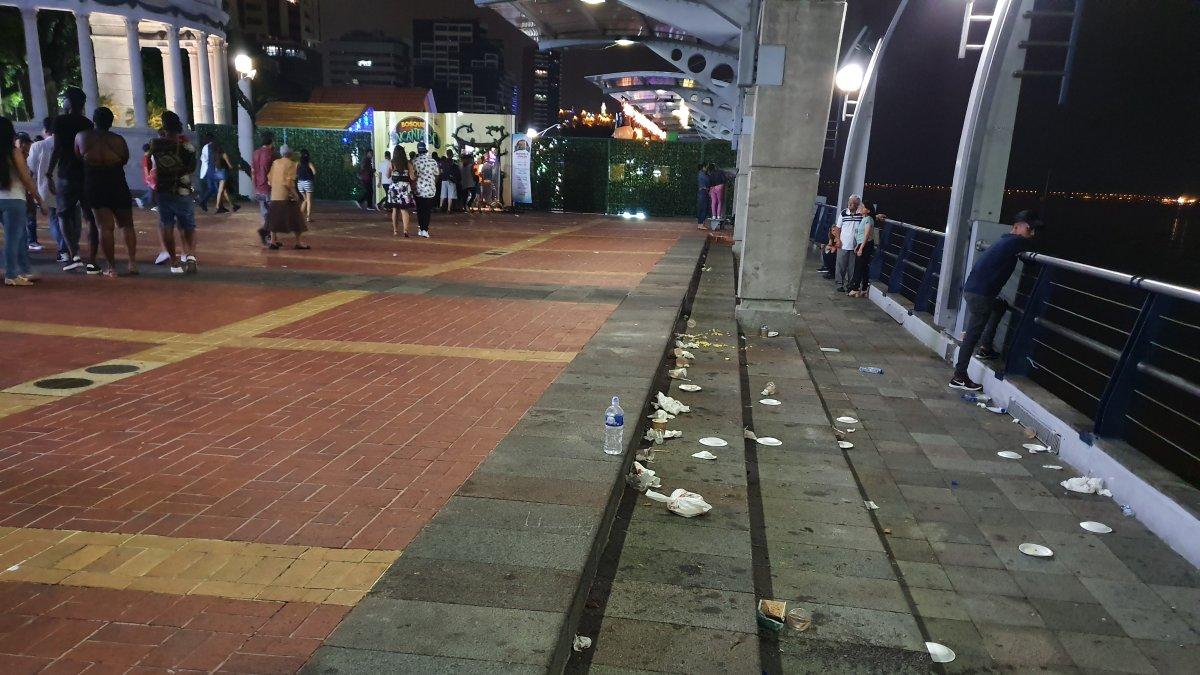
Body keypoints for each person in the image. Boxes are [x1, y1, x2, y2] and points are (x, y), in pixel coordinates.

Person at [948, 210, 1043, 391]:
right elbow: (1033, 261)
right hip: (981, 295)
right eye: (1030, 228)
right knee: (971, 336)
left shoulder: (1005, 240)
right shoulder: (1017, 241)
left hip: (976, 291)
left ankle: (986, 347)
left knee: (999, 306)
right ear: (1017, 227)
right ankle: (959, 376)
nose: (1032, 234)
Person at [76, 107, 137, 277]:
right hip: (117, 181)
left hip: (95, 183)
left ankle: (112, 267)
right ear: (111, 122)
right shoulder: (118, 140)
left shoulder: (82, 137)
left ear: (93, 120)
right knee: (127, 225)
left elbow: (78, 156)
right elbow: (124, 159)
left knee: (105, 227)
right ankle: (132, 263)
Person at [47, 86, 98, 273]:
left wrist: (48, 172)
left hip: (66, 172)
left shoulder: (59, 121)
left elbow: (57, 148)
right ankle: (92, 258)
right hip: (85, 173)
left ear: (69, 101)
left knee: (63, 214)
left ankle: (74, 253)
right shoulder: (87, 123)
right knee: (90, 216)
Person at [150, 111, 198, 274]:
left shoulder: (155, 144)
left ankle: (174, 262)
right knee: (188, 225)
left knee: (167, 226)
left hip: (163, 191)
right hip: (182, 191)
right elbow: (191, 169)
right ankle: (190, 255)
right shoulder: (187, 148)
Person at [2, 117, 45, 286]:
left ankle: (22, 270)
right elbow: (26, 178)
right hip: (13, 199)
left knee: (16, 238)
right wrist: (39, 199)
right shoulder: (13, 152)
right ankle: (12, 274)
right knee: (14, 238)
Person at [27, 117, 66, 261]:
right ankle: (69, 248)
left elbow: (30, 169)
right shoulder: (67, 143)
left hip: (45, 187)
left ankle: (63, 249)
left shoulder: (38, 146)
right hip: (66, 185)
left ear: (46, 130)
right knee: (68, 218)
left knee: (54, 219)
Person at [266, 144, 307, 250]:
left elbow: (269, 180)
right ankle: (298, 242)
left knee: (273, 220)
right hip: (287, 197)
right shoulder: (293, 164)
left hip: (275, 195)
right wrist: (295, 194)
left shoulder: (275, 163)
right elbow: (288, 183)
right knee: (297, 220)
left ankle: (273, 241)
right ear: (291, 153)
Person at [14, 132, 41, 253]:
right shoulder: (13, 155)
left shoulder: (24, 155)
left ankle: (30, 242)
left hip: (24, 192)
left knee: (28, 218)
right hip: (16, 194)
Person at [833, 194, 862, 292]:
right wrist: (838, 240)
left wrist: (877, 216)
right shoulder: (843, 213)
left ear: (857, 204)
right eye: (850, 202)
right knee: (840, 265)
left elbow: (869, 218)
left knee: (852, 268)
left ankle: (850, 285)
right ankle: (839, 284)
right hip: (843, 244)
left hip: (855, 246)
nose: (851, 205)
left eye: (853, 203)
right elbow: (837, 228)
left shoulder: (861, 214)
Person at [252, 131, 276, 245]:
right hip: (269, 188)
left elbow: (253, 172)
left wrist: (254, 187)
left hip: (259, 187)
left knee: (266, 213)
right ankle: (267, 234)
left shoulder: (255, 153)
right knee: (273, 213)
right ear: (271, 141)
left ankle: (270, 237)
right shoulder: (271, 154)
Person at [847, 203, 875, 298]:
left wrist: (861, 248)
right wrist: (858, 246)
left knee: (859, 267)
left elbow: (866, 235)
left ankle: (855, 289)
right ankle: (864, 288)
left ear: (868, 210)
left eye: (863, 207)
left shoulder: (868, 220)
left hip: (865, 245)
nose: (861, 208)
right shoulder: (865, 218)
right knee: (863, 267)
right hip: (862, 244)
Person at [413, 142, 438, 238]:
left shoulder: (415, 162)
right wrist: (433, 183)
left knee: (420, 209)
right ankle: (425, 230)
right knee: (427, 210)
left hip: (419, 189)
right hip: (430, 189)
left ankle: (421, 228)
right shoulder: (433, 161)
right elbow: (437, 174)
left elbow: (413, 175)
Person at [387, 147, 414, 236]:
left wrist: (392, 171)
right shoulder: (408, 163)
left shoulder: (392, 163)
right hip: (405, 187)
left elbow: (387, 176)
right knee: (404, 210)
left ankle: (395, 230)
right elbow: (412, 177)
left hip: (394, 187)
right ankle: (405, 230)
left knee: (395, 210)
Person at [210, 138, 238, 214]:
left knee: (224, 190)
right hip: (223, 173)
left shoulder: (214, 155)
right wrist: (234, 167)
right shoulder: (223, 154)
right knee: (221, 190)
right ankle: (217, 207)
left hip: (217, 173)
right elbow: (230, 165)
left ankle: (233, 205)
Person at [296, 149, 316, 222]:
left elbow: (296, 173)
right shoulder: (309, 163)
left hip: (300, 183)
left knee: (305, 200)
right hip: (308, 182)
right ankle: (308, 217)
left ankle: (299, 216)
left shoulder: (298, 163)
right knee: (309, 201)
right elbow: (314, 172)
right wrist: (310, 175)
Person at [196, 132, 213, 211]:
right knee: (212, 188)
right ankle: (202, 201)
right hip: (208, 170)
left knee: (212, 188)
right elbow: (204, 158)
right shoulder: (207, 147)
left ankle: (202, 201)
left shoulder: (206, 147)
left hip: (208, 170)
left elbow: (203, 158)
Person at [695, 162, 710, 229]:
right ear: (704, 167)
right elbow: (707, 182)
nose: (707, 168)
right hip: (704, 191)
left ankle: (700, 223)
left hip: (702, 192)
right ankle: (701, 224)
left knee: (701, 207)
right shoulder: (703, 175)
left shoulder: (700, 174)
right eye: (706, 167)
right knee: (704, 207)